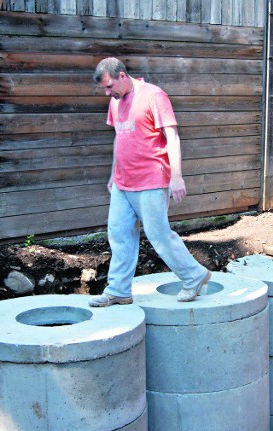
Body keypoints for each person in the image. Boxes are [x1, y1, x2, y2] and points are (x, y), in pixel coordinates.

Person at [89, 57, 210, 307]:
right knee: (119, 234)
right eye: (104, 89)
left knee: (158, 235)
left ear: (122, 75)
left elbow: (172, 136)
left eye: (109, 86)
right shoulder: (115, 102)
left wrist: (176, 176)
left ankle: (194, 276)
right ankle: (119, 290)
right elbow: (119, 138)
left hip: (152, 179)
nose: (107, 92)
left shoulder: (154, 95)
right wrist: (113, 173)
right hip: (123, 183)